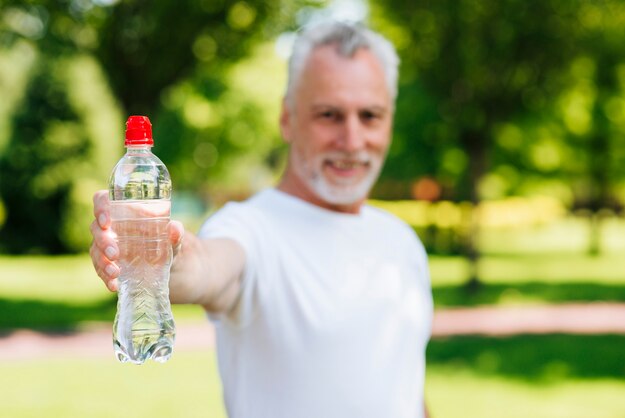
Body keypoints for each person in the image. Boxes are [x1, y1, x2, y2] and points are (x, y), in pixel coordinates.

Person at [90, 21, 433, 418]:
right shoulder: (250, 229)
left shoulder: (401, 241)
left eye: (370, 115)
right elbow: (207, 268)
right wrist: (165, 255)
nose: (352, 140)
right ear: (287, 119)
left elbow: (404, 388)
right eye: (329, 115)